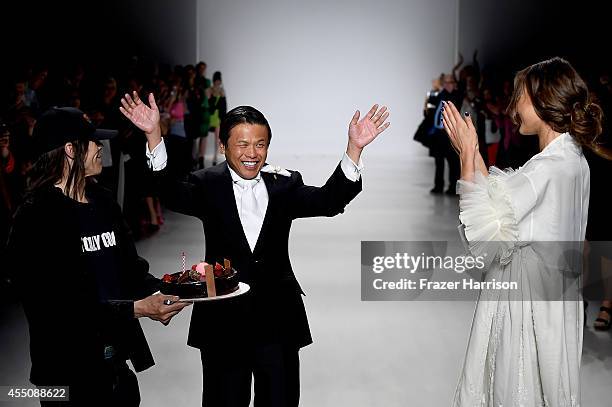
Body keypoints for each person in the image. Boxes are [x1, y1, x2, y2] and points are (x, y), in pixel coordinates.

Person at [119, 92, 389, 407]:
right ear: (223, 146)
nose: (252, 153)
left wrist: (354, 149)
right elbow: (166, 191)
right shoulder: (206, 184)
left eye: (260, 144)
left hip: (278, 321)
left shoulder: (284, 184)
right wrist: (153, 134)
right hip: (222, 324)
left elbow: (329, 202)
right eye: (243, 144)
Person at [442, 57, 609, 406]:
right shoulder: (573, 160)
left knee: (516, 391)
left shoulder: (546, 170)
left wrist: (466, 152)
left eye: (521, 95)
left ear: (543, 101)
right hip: (556, 303)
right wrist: (472, 152)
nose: (514, 103)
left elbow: (483, 234)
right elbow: (502, 207)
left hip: (526, 311)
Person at [5, 107, 190, 406]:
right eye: (92, 142)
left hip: (116, 369)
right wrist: (139, 309)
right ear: (69, 150)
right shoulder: (36, 218)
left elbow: (131, 272)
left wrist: (179, 286)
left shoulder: (104, 201)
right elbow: (59, 308)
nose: (100, 148)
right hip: (65, 377)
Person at [208, 71, 227, 166]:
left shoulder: (221, 91)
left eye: (219, 80)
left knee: (217, 138)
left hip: (218, 117)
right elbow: (207, 104)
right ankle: (199, 155)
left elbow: (224, 106)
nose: (218, 82)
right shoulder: (210, 90)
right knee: (203, 136)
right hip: (209, 116)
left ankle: (215, 157)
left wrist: (223, 119)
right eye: (216, 80)